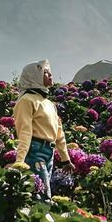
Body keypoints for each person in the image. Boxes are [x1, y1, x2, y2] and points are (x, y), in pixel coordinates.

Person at [13, 59, 75, 201]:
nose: (50, 75)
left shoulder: (49, 103)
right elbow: (24, 131)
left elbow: (58, 133)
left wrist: (65, 159)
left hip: (49, 152)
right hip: (34, 151)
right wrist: (20, 161)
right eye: (45, 72)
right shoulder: (26, 100)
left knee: (41, 191)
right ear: (34, 76)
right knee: (42, 194)